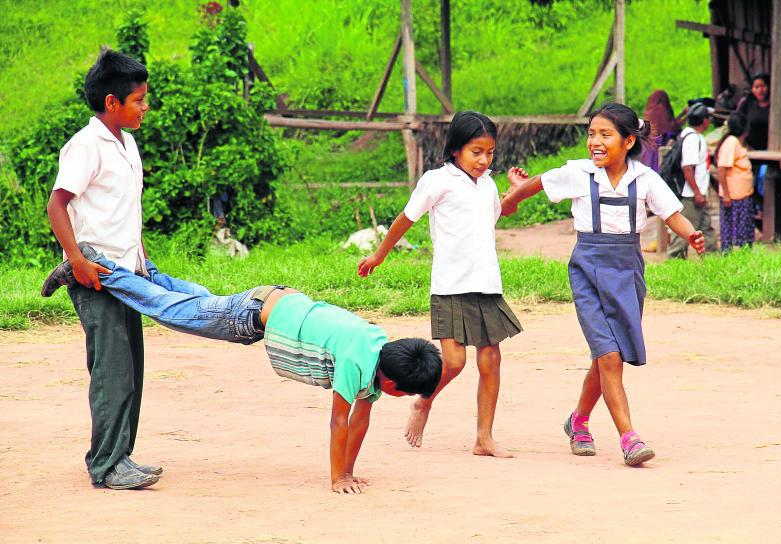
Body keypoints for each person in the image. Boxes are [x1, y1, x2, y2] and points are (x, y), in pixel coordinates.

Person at [41, 244, 443, 494]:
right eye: (407, 392)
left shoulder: (378, 346)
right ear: (394, 382)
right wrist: (338, 478)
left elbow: (361, 420)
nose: (403, 397)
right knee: (170, 311)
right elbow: (341, 421)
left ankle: (146, 269)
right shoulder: (358, 362)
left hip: (272, 303)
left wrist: (349, 473)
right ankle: (97, 267)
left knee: (194, 302)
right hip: (253, 315)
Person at [501, 103, 705, 466]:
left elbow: (671, 213)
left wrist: (691, 234)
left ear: (628, 141)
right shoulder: (579, 173)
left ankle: (578, 421)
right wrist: (511, 200)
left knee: (609, 355)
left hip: (628, 273)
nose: (595, 141)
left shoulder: (645, 179)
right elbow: (539, 182)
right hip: (588, 270)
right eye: (591, 133)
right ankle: (629, 438)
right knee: (609, 356)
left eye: (605, 135)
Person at [358, 111, 522, 458]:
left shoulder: (488, 185)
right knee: (454, 362)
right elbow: (406, 218)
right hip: (450, 285)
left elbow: (499, 212)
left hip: (487, 283)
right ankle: (424, 401)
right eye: (476, 152)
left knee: (491, 359)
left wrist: (515, 191)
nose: (484, 160)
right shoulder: (436, 181)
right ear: (455, 149)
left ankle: (484, 439)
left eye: (490, 152)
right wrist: (379, 255)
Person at [44, 50, 158, 490]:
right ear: (112, 102)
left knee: (132, 368)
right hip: (96, 274)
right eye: (138, 100)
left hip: (127, 274)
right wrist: (76, 261)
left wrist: (142, 261)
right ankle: (106, 466)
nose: (145, 107)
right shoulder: (86, 146)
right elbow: (57, 204)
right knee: (112, 371)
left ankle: (120, 456)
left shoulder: (127, 144)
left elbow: (125, 211)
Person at [667, 102, 718, 258]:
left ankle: (713, 262)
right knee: (684, 234)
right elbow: (687, 168)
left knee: (706, 229)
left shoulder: (693, 136)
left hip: (697, 193)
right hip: (691, 195)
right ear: (704, 121)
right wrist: (697, 193)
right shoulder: (692, 139)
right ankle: (675, 264)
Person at [714, 112, 755, 252]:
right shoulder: (731, 142)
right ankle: (732, 254)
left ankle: (742, 253)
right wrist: (726, 194)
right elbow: (721, 168)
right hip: (733, 196)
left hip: (741, 194)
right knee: (734, 228)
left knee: (743, 227)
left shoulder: (736, 142)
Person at [640, 90, 684, 172]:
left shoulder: (648, 111)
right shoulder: (660, 109)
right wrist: (685, 117)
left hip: (648, 142)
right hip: (660, 141)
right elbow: (671, 126)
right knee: (658, 164)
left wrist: (682, 114)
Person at [737, 73, 770, 152]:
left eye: (763, 86)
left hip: (772, 148)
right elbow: (737, 123)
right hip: (750, 148)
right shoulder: (746, 103)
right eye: (756, 87)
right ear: (752, 89)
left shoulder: (775, 104)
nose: (760, 90)